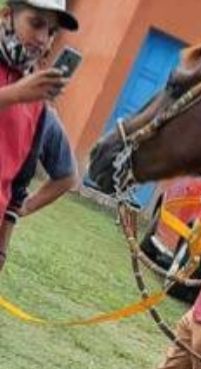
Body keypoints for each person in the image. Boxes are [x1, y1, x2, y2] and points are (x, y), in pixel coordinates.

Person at [0, 0, 79, 273]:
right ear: (7, 15)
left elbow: (19, 183)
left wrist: (3, 244)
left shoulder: (38, 104)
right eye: (36, 24)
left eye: (52, 31)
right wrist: (15, 95)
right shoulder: (27, 93)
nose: (43, 39)